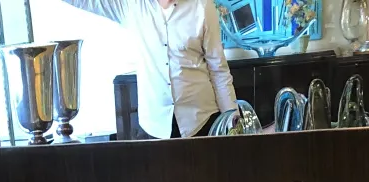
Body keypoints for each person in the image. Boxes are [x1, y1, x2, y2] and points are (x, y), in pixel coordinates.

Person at [59, 0, 239, 138]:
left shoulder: (203, 7)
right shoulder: (133, 6)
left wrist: (231, 118)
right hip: (154, 127)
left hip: (201, 122)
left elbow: (218, 70)